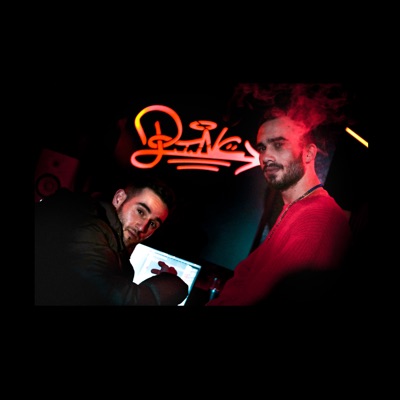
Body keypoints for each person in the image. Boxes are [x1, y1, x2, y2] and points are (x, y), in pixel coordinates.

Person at [205, 114, 353, 306]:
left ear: (308, 153)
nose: (266, 157)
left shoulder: (319, 218)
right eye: (262, 148)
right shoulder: (295, 208)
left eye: (278, 145)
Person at [34, 175, 188, 305]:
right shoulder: (90, 229)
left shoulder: (112, 243)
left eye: (153, 224)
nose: (142, 227)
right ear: (119, 199)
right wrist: (173, 284)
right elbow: (116, 299)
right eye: (140, 212)